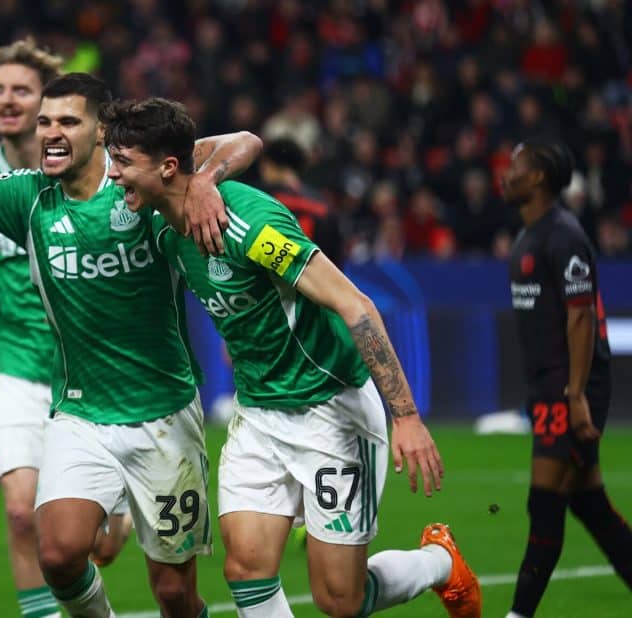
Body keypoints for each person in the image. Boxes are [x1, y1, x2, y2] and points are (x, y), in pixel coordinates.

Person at [99, 97, 482, 618]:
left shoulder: (249, 226)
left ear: (167, 167)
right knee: (246, 569)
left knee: (340, 600)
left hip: (330, 409)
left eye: (122, 162)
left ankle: (439, 561)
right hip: (258, 413)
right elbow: (232, 146)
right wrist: (204, 178)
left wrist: (407, 417)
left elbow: (356, 305)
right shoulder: (160, 218)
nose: (113, 174)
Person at [0, 72, 262, 617]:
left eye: (68, 121)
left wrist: (207, 180)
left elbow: (246, 142)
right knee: (58, 554)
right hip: (81, 413)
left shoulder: (138, 183)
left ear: (100, 132)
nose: (51, 131)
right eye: (45, 121)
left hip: (164, 413)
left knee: (173, 591)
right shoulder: (28, 196)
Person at [0, 39, 132, 618]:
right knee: (22, 513)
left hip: (89, 364)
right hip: (16, 360)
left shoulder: (98, 174)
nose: (7, 100)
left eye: (21, 90)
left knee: (101, 544)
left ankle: (118, 516)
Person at [501, 137, 632, 618]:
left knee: (545, 503)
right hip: (550, 388)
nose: (506, 174)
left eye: (516, 166)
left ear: (537, 178)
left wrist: (575, 395)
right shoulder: (528, 237)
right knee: (589, 504)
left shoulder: (564, 236)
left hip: (572, 388)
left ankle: (518, 614)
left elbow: (581, 318)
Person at [258, 137, 342, 266]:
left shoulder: (262, 199)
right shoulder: (325, 206)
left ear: (269, 164)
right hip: (315, 275)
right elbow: (335, 260)